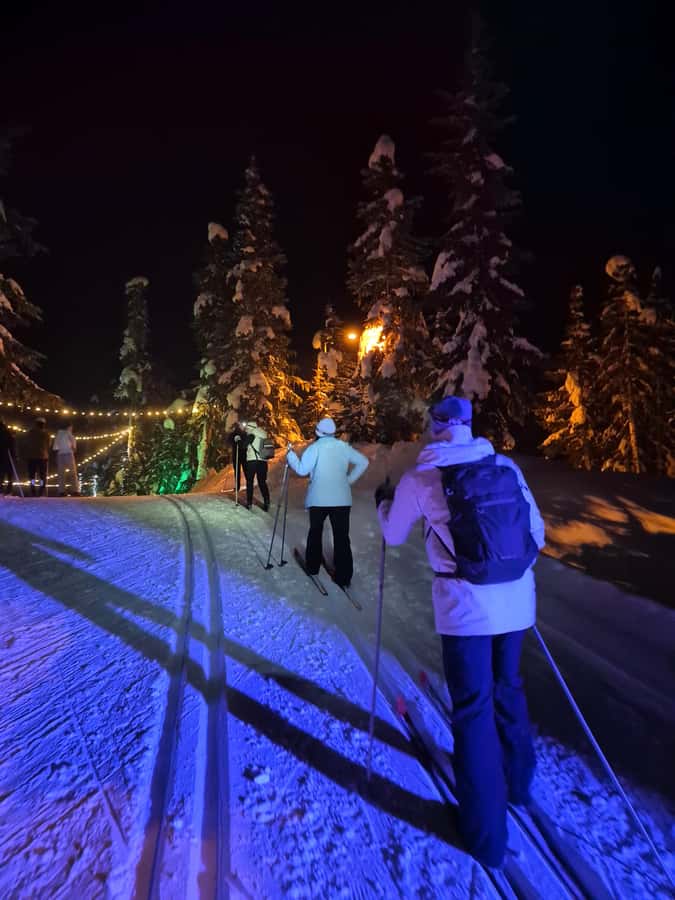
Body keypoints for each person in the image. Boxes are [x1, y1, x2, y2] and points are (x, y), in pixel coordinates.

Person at [374, 396, 545, 869]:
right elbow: (538, 533)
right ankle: (517, 784)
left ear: (435, 427)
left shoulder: (421, 477)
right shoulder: (503, 464)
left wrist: (383, 504)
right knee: (508, 688)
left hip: (465, 609)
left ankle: (485, 836)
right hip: (516, 601)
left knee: (472, 709)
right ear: (469, 427)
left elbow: (392, 534)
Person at [286, 417, 369, 588]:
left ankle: (312, 566)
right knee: (341, 537)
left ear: (317, 432)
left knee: (315, 532)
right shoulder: (343, 447)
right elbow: (363, 462)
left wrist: (291, 456)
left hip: (318, 499)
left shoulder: (315, 448)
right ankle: (344, 576)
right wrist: (348, 480)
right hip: (341, 500)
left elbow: (302, 469)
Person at [241, 421, 271, 510]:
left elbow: (243, 445)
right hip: (263, 462)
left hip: (252, 461)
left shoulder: (252, 435)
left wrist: (238, 440)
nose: (246, 431)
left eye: (247, 429)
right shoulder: (263, 434)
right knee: (262, 482)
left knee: (250, 481)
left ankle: (249, 503)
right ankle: (266, 501)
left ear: (250, 428)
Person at [24, 417, 51, 496]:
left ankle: (32, 489)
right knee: (42, 476)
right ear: (43, 424)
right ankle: (41, 491)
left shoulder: (30, 433)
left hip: (31, 456)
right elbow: (48, 445)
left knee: (32, 475)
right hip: (42, 456)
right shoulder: (46, 434)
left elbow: (26, 443)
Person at [53, 421, 80, 497]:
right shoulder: (69, 434)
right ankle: (75, 491)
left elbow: (55, 447)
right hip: (68, 453)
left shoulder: (58, 434)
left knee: (61, 473)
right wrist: (73, 449)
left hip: (60, 454)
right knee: (72, 473)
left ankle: (61, 491)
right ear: (69, 427)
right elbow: (74, 446)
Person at [229, 422, 246, 498]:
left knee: (237, 471)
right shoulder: (243, 433)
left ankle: (237, 486)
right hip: (243, 455)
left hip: (236, 455)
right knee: (246, 470)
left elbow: (229, 441)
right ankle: (248, 484)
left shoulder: (233, 434)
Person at [0, 417, 16, 496]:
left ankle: (3, 488)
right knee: (7, 473)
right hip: (6, 454)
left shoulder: (6, 432)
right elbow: (11, 443)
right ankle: (8, 489)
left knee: (2, 472)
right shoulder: (6, 431)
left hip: (4, 453)